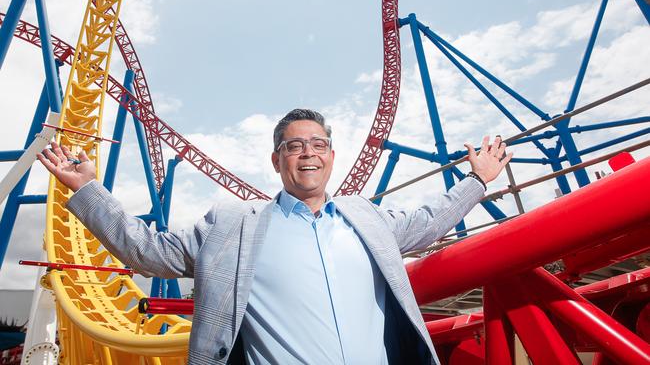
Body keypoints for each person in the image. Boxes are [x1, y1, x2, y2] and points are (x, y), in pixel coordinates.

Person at [38, 108, 512, 365]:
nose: (308, 153)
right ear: (277, 160)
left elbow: (428, 222)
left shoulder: (365, 217)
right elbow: (149, 252)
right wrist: (89, 191)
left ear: (331, 156)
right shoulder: (234, 225)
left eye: (318, 144)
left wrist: (478, 180)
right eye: (294, 146)